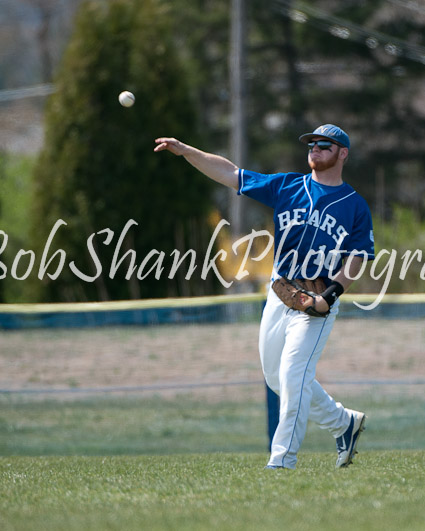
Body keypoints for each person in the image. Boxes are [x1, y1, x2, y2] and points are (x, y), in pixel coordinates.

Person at [154, 124, 374, 469]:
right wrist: (186, 151)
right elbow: (231, 173)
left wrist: (329, 297)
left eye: (324, 145)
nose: (314, 149)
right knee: (277, 378)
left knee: (292, 375)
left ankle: (282, 462)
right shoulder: (288, 186)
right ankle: (343, 423)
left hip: (317, 303)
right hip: (281, 293)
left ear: (342, 153)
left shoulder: (355, 206)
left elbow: (358, 257)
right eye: (311, 144)